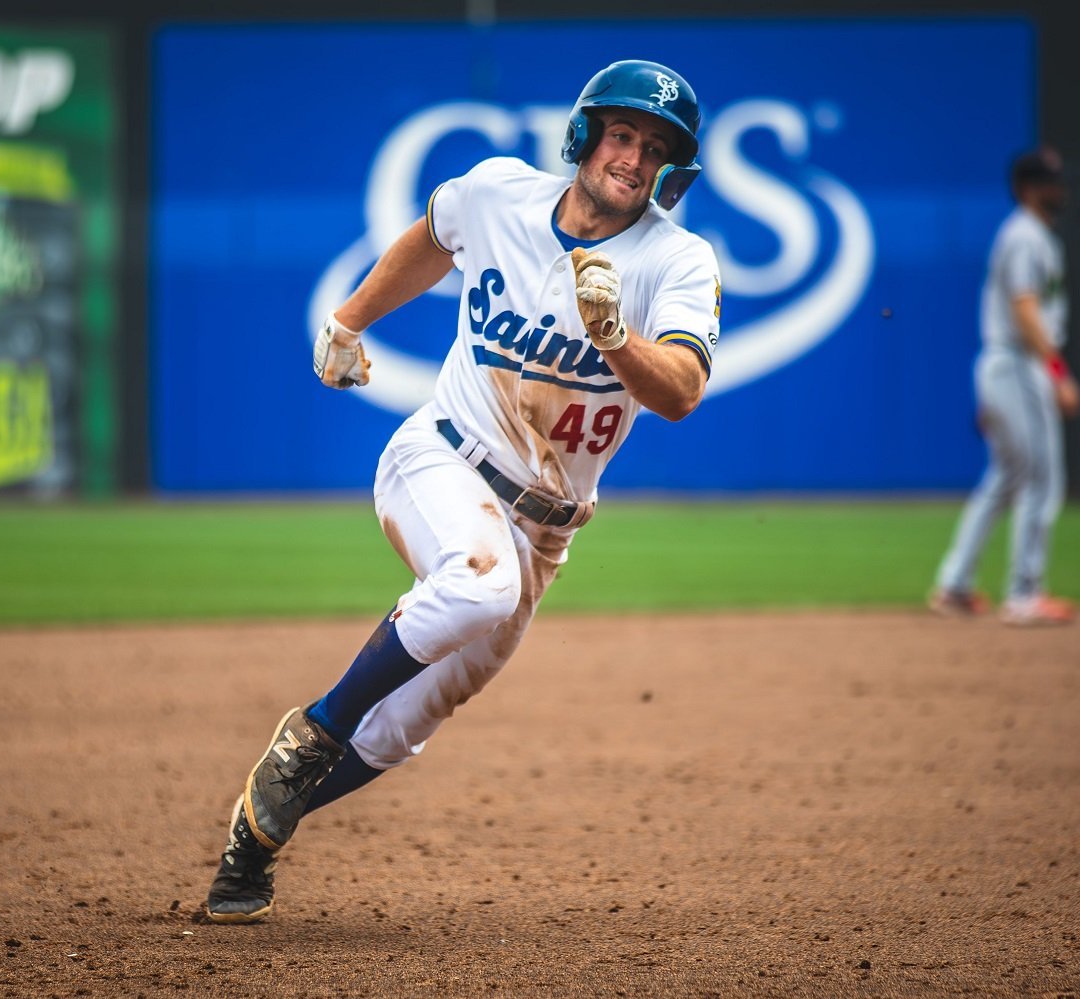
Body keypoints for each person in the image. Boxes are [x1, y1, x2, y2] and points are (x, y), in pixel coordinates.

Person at [204, 60, 723, 923]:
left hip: (548, 526)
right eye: (622, 134)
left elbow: (679, 391)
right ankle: (312, 731)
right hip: (442, 456)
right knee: (482, 583)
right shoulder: (500, 197)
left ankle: (256, 833)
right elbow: (434, 235)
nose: (632, 157)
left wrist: (616, 336)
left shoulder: (677, 260)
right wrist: (349, 319)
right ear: (586, 135)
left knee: (407, 723)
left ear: (673, 171)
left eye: (655, 147)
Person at [929, 147, 1080, 626]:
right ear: (1026, 188)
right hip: (1018, 363)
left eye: (1056, 181)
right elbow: (1024, 307)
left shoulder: (1033, 235)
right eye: (1047, 182)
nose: (1056, 189)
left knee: (1005, 478)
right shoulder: (1024, 235)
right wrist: (1057, 372)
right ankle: (1025, 593)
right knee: (1041, 478)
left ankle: (955, 583)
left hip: (1006, 366)